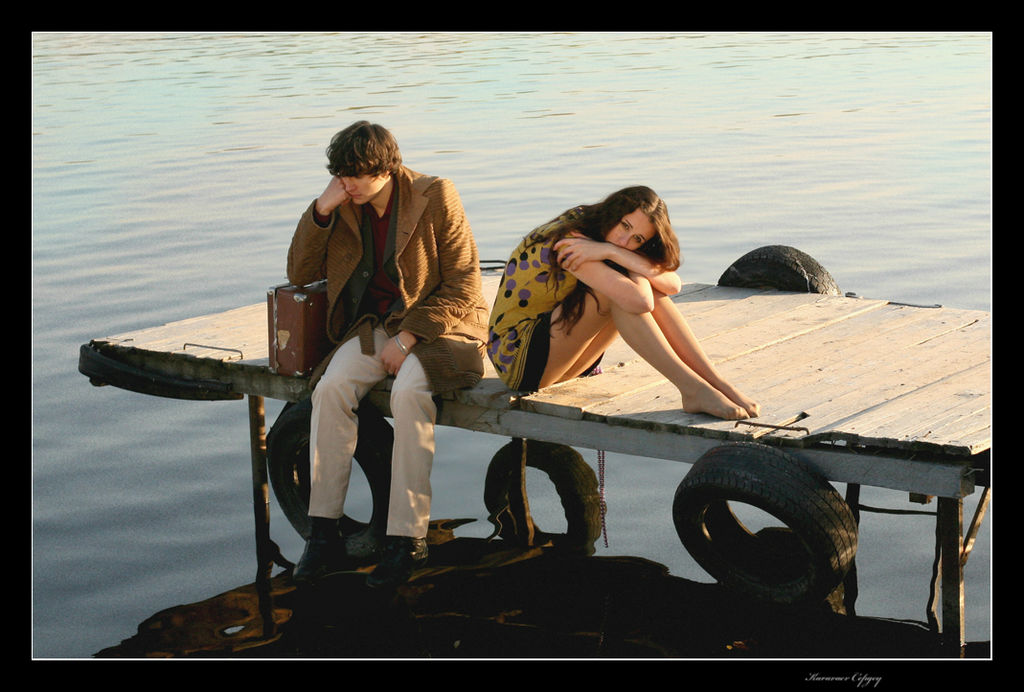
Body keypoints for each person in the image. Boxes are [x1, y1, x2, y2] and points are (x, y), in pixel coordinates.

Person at [287, 121, 488, 587]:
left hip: (444, 326)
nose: (347, 184)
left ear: (386, 168)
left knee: (409, 392)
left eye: (356, 174)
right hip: (375, 327)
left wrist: (409, 338)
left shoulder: (435, 195)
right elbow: (299, 273)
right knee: (331, 389)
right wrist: (320, 210)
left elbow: (464, 285)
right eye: (340, 175)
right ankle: (323, 534)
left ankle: (407, 539)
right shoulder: (343, 205)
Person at [487, 186, 760, 421]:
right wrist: (623, 257)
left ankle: (717, 383)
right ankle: (692, 390)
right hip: (519, 359)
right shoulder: (571, 242)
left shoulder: (604, 242)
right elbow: (640, 301)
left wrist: (613, 252)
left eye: (637, 239)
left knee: (643, 291)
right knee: (620, 294)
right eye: (625, 226)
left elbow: (673, 285)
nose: (624, 240)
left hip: (560, 358)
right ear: (613, 213)